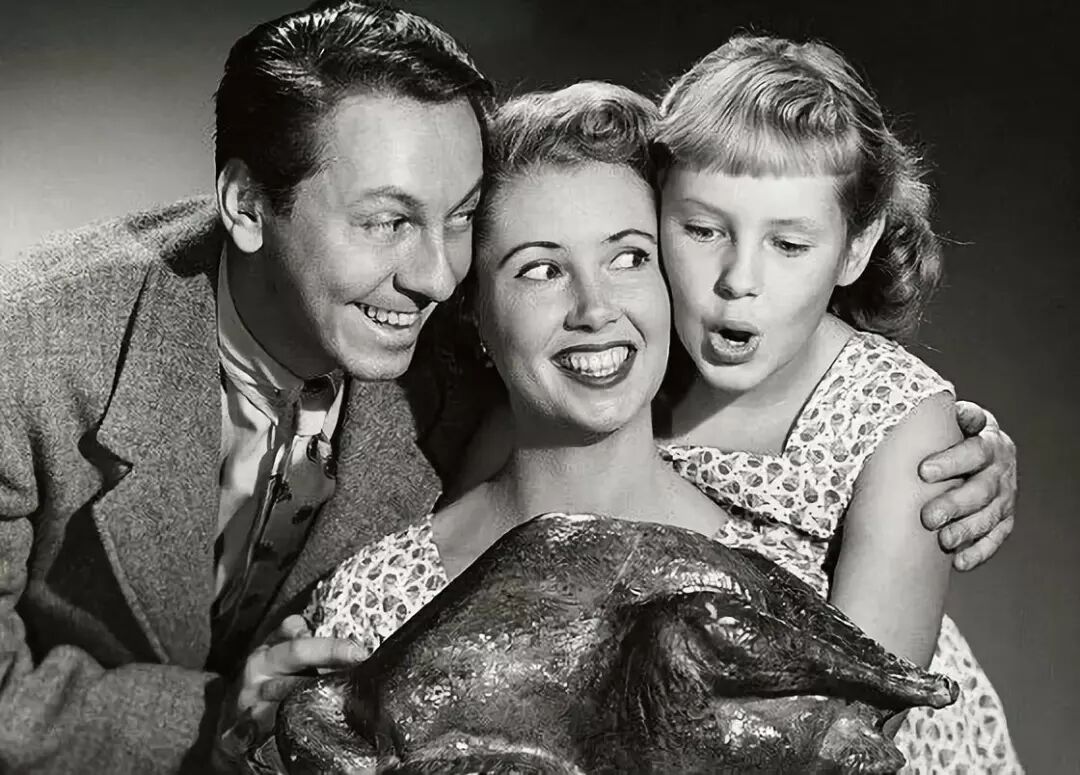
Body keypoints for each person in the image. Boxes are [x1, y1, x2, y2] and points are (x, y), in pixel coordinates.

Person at [304, 78, 1016, 772]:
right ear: (474, 310)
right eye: (540, 270)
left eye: (629, 257)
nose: (595, 308)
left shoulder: (787, 584)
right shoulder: (378, 599)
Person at [0, 2, 494, 772]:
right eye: (387, 221)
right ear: (248, 206)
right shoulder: (25, 349)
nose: (437, 276)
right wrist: (210, 719)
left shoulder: (473, 374)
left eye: (460, 216)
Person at [649, 35, 1020, 771]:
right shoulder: (627, 366)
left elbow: (859, 718)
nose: (738, 278)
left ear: (855, 247)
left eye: (789, 245)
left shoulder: (894, 420)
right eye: (702, 230)